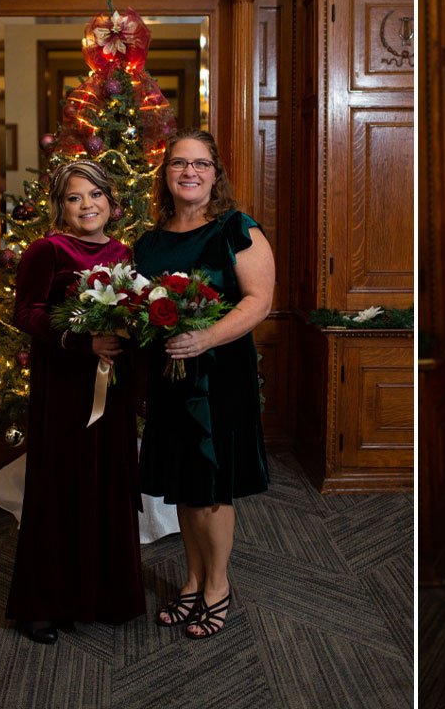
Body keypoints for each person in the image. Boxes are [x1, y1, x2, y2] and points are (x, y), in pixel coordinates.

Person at [133, 129, 275, 640]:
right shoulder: (147, 241)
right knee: (184, 486)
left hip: (218, 378)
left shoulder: (237, 229)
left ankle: (217, 586)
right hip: (168, 377)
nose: (189, 172)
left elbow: (258, 300)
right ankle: (191, 578)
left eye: (200, 164)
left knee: (211, 487)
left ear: (216, 174)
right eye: (178, 164)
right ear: (165, 174)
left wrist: (205, 337)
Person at [7, 160, 146, 644]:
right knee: (60, 488)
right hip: (65, 390)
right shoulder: (46, 250)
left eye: (95, 195)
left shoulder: (123, 251)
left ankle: (102, 595)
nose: (87, 205)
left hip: (113, 392)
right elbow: (26, 312)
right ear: (60, 206)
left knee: (106, 484)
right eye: (74, 197)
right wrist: (80, 342)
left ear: (111, 200)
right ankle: (41, 605)